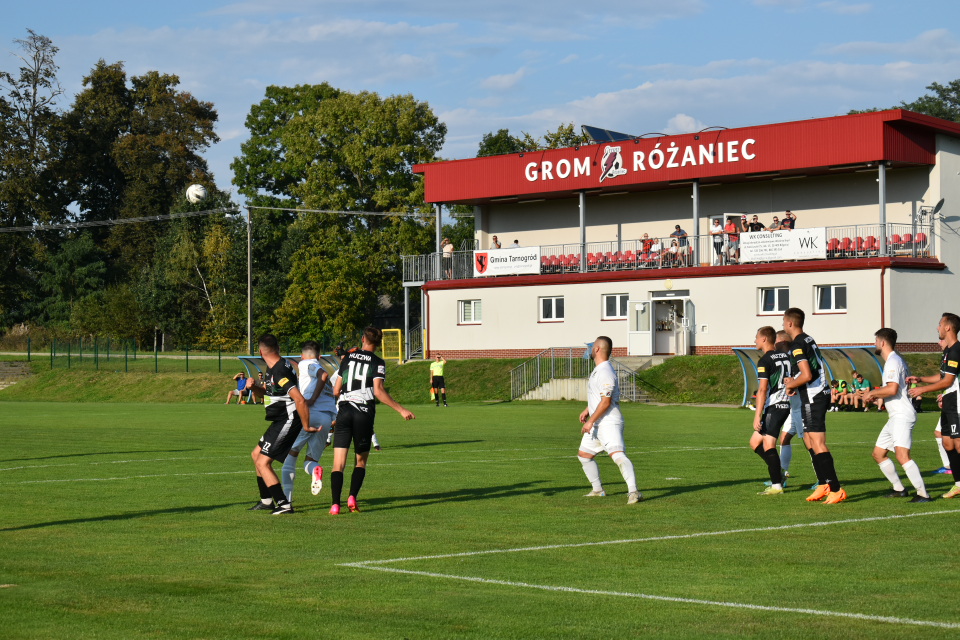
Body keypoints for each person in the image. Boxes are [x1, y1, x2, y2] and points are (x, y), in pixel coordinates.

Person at [330, 326, 415, 514]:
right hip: (363, 413)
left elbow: (336, 390)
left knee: (338, 464)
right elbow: (378, 391)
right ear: (379, 343)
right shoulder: (378, 362)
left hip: (344, 412)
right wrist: (401, 409)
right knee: (360, 461)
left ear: (362, 339)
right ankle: (352, 496)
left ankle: (335, 504)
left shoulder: (347, 358)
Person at [783, 307, 846, 503]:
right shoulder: (807, 339)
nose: (783, 325)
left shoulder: (797, 345)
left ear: (790, 323)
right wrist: (795, 384)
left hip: (814, 396)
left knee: (817, 442)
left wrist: (791, 384)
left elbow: (807, 375)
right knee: (810, 441)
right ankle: (823, 483)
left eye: (783, 322)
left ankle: (836, 488)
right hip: (812, 394)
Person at [245, 334, 313, 515]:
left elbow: (299, 399)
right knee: (256, 455)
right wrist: (253, 388)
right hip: (279, 420)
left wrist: (306, 426)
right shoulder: (274, 366)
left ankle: (283, 504)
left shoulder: (280, 371)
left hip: (288, 420)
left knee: (263, 463)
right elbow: (269, 393)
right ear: (278, 347)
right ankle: (267, 501)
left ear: (260, 351)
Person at [862, 328, 931, 502]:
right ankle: (899, 489)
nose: (875, 344)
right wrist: (875, 395)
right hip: (895, 416)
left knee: (902, 455)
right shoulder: (894, 360)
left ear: (883, 342)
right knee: (878, 454)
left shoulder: (893, 361)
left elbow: (892, 389)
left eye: (876, 341)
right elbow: (893, 390)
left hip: (902, 414)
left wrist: (872, 393)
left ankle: (923, 494)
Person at [578, 336, 642, 504]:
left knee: (618, 456)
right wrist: (588, 410)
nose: (589, 350)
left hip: (608, 423)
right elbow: (600, 397)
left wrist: (590, 420)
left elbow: (606, 402)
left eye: (591, 347)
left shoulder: (605, 371)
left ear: (597, 349)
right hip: (597, 421)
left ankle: (634, 492)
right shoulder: (598, 370)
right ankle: (598, 490)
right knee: (584, 455)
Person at [908, 312, 960, 498]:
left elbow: (948, 382)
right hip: (949, 401)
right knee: (947, 442)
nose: (937, 327)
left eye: (939, 324)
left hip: (957, 402)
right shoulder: (947, 351)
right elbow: (941, 377)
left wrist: (923, 390)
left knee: (958, 443)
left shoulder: (956, 350)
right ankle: (958, 483)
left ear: (948, 327)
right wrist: (920, 379)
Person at [279, 341, 336, 504]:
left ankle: (286, 500)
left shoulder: (306, 364)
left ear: (302, 356)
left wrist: (311, 399)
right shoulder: (323, 368)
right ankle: (315, 471)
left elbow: (322, 376)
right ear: (319, 356)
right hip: (325, 419)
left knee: (290, 455)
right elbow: (325, 378)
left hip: (309, 414)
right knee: (311, 460)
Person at [751, 326, 792, 495]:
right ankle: (779, 472)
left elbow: (762, 390)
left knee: (769, 444)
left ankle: (776, 485)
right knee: (755, 443)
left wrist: (757, 415)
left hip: (775, 405)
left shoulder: (765, 361)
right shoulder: (786, 356)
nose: (755, 340)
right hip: (785, 403)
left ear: (764, 339)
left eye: (756, 337)